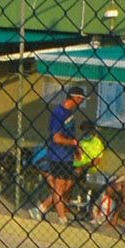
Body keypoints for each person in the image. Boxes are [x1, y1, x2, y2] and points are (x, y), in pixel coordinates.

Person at [30, 88, 85, 223]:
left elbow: (71, 136)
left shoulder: (69, 113)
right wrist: (73, 143)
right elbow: (57, 138)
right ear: (74, 98)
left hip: (67, 156)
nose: (81, 102)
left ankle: (41, 208)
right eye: (80, 99)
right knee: (59, 187)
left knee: (66, 186)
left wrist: (76, 149)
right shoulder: (59, 113)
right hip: (58, 155)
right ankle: (62, 218)